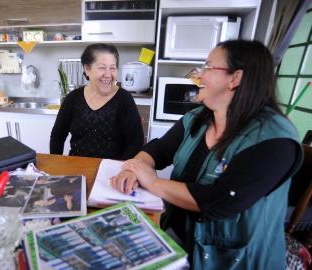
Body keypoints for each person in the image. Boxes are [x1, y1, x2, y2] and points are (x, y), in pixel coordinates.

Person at [110, 40, 303, 269]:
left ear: (235, 78)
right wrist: (135, 168)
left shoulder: (275, 140)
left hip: (233, 258)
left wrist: (150, 181)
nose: (198, 76)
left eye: (208, 67)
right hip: (180, 238)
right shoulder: (197, 118)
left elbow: (219, 200)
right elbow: (158, 150)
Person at [50, 43, 144, 160]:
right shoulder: (73, 98)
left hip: (113, 172)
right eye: (102, 68)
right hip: (76, 169)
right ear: (87, 69)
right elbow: (57, 135)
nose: (108, 74)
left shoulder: (124, 99)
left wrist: (122, 170)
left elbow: (136, 143)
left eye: (113, 68)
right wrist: (56, 162)